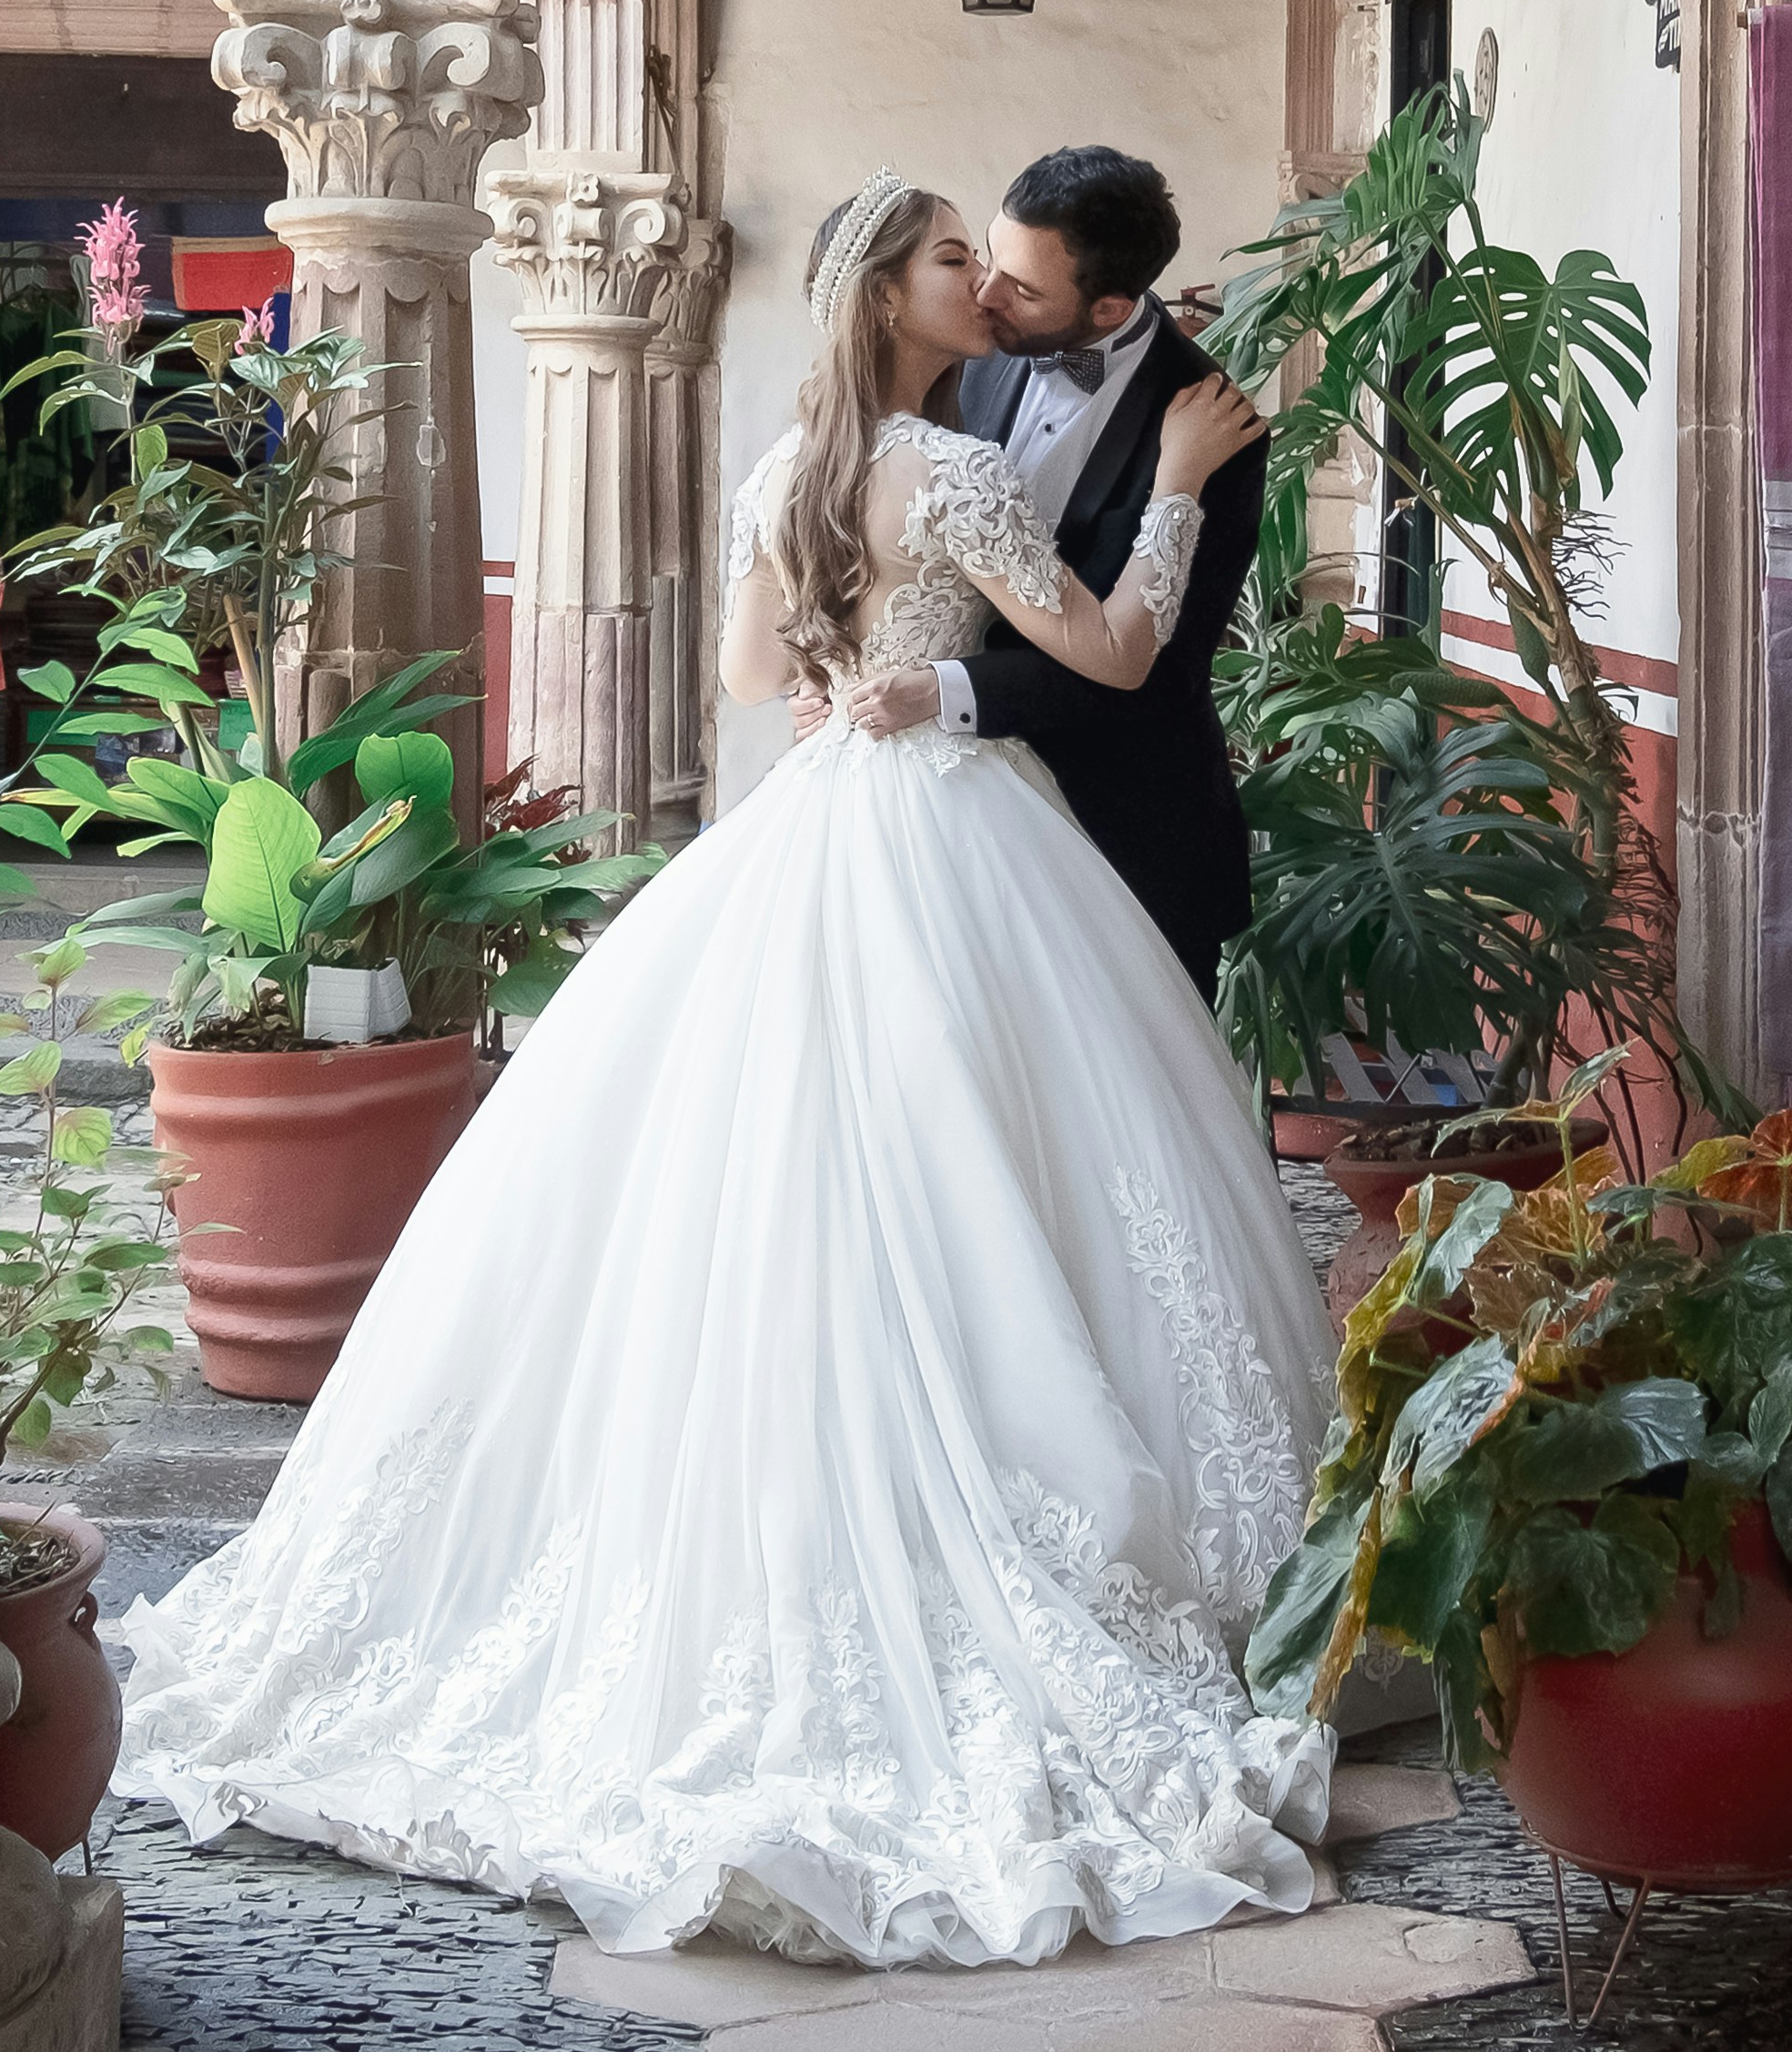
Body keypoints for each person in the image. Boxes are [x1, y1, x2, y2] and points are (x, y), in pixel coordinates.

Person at [106, 172, 1338, 1971]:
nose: (974, 287)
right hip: (965, 833)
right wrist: (1155, 499)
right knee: (985, 1167)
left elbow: (761, 671)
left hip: (817, 819)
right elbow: (1124, 649)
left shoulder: (784, 473)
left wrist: (871, 670)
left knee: (786, 1172)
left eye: (988, 264)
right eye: (944, 262)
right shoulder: (965, 466)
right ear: (891, 300)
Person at [799, 146, 1266, 1003]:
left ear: (1111, 307)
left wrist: (938, 688)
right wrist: (840, 677)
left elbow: (1153, 673)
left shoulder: (1211, 428)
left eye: (1022, 289)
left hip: (1121, 828)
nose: (984, 293)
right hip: (942, 830)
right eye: (985, 255)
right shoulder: (962, 353)